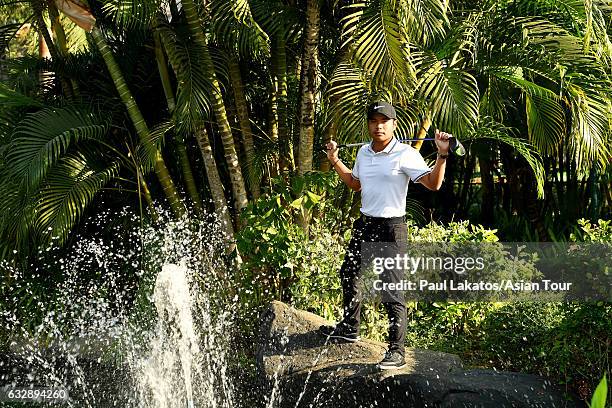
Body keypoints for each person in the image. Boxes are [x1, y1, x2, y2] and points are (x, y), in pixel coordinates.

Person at [319, 101, 451, 370]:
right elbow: (355, 184)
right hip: (366, 225)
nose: (379, 125)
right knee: (349, 273)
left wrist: (442, 155)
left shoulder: (405, 154)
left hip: (392, 229)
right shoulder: (363, 154)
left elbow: (433, 184)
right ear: (369, 124)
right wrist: (334, 160)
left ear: (393, 124)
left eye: (384, 121)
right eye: (374, 121)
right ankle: (349, 327)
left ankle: (396, 351)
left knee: (391, 290)